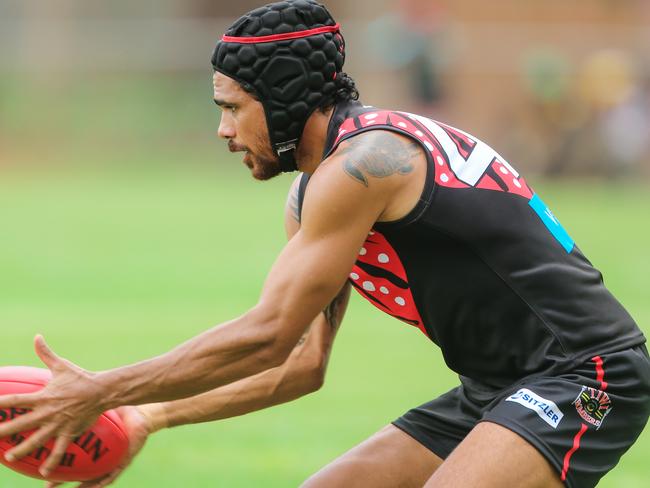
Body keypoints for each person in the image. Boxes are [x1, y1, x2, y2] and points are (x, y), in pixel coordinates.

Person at [0, 1, 648, 487]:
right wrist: (149, 419)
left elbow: (267, 334)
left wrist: (103, 392)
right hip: (496, 386)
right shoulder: (315, 193)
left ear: (281, 98)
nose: (222, 130)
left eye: (233, 107)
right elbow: (301, 365)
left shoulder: (370, 163)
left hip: (585, 374)